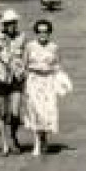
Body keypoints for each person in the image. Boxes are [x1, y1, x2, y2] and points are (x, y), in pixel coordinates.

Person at [0, 10, 28, 155]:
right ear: (3, 24)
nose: (11, 26)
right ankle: (4, 143)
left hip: (16, 77)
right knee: (2, 113)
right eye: (8, 23)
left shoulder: (22, 37)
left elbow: (26, 55)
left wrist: (24, 69)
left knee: (15, 112)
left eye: (13, 23)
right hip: (1, 77)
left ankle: (13, 136)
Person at [21, 19, 63, 156]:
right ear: (36, 33)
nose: (42, 34)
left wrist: (58, 79)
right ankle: (37, 143)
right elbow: (24, 65)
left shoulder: (54, 47)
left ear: (49, 33)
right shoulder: (30, 46)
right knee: (36, 112)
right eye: (39, 32)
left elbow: (58, 66)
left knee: (47, 113)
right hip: (34, 81)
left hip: (48, 82)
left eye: (45, 32)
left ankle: (44, 138)